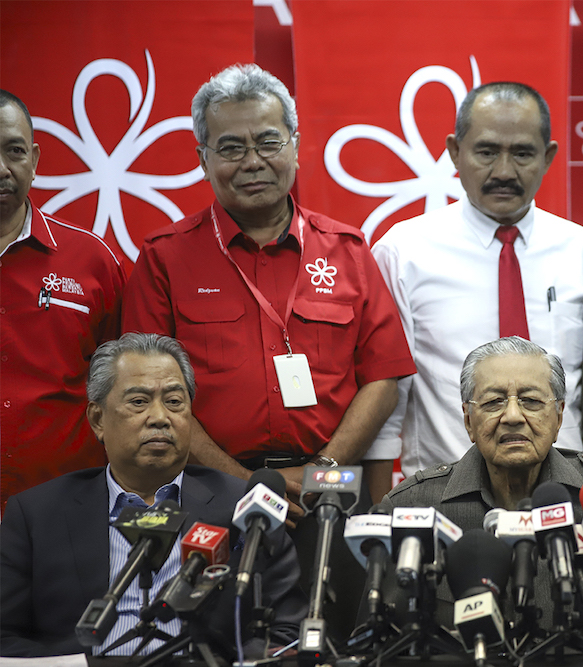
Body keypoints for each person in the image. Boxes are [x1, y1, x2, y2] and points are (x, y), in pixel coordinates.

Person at [122, 64, 415, 507]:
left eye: (268, 142)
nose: (253, 161)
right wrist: (240, 482)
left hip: (329, 490)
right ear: (204, 160)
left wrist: (326, 470)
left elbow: (383, 379)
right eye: (232, 148)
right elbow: (147, 391)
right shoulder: (165, 258)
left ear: (295, 149)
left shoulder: (349, 250)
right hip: (208, 490)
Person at [0, 333, 306, 656]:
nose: (160, 417)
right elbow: (4, 637)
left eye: (174, 401)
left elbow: (289, 631)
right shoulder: (36, 515)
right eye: (139, 402)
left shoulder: (245, 507)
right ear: (98, 419)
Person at [372, 82, 583, 477]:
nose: (503, 171)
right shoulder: (403, 252)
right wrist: (383, 508)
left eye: (522, 153)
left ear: (548, 156)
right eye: (486, 152)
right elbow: (387, 400)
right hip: (445, 497)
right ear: (454, 151)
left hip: (564, 497)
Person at [382, 336, 583, 628]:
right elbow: (385, 647)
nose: (512, 416)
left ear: (559, 416)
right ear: (468, 420)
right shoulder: (412, 508)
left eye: (531, 401)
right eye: (493, 402)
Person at [0, 89, 126, 512]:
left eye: (14, 150)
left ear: (34, 160)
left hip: (66, 508)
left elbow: (122, 384)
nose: (2, 168)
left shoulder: (91, 260)